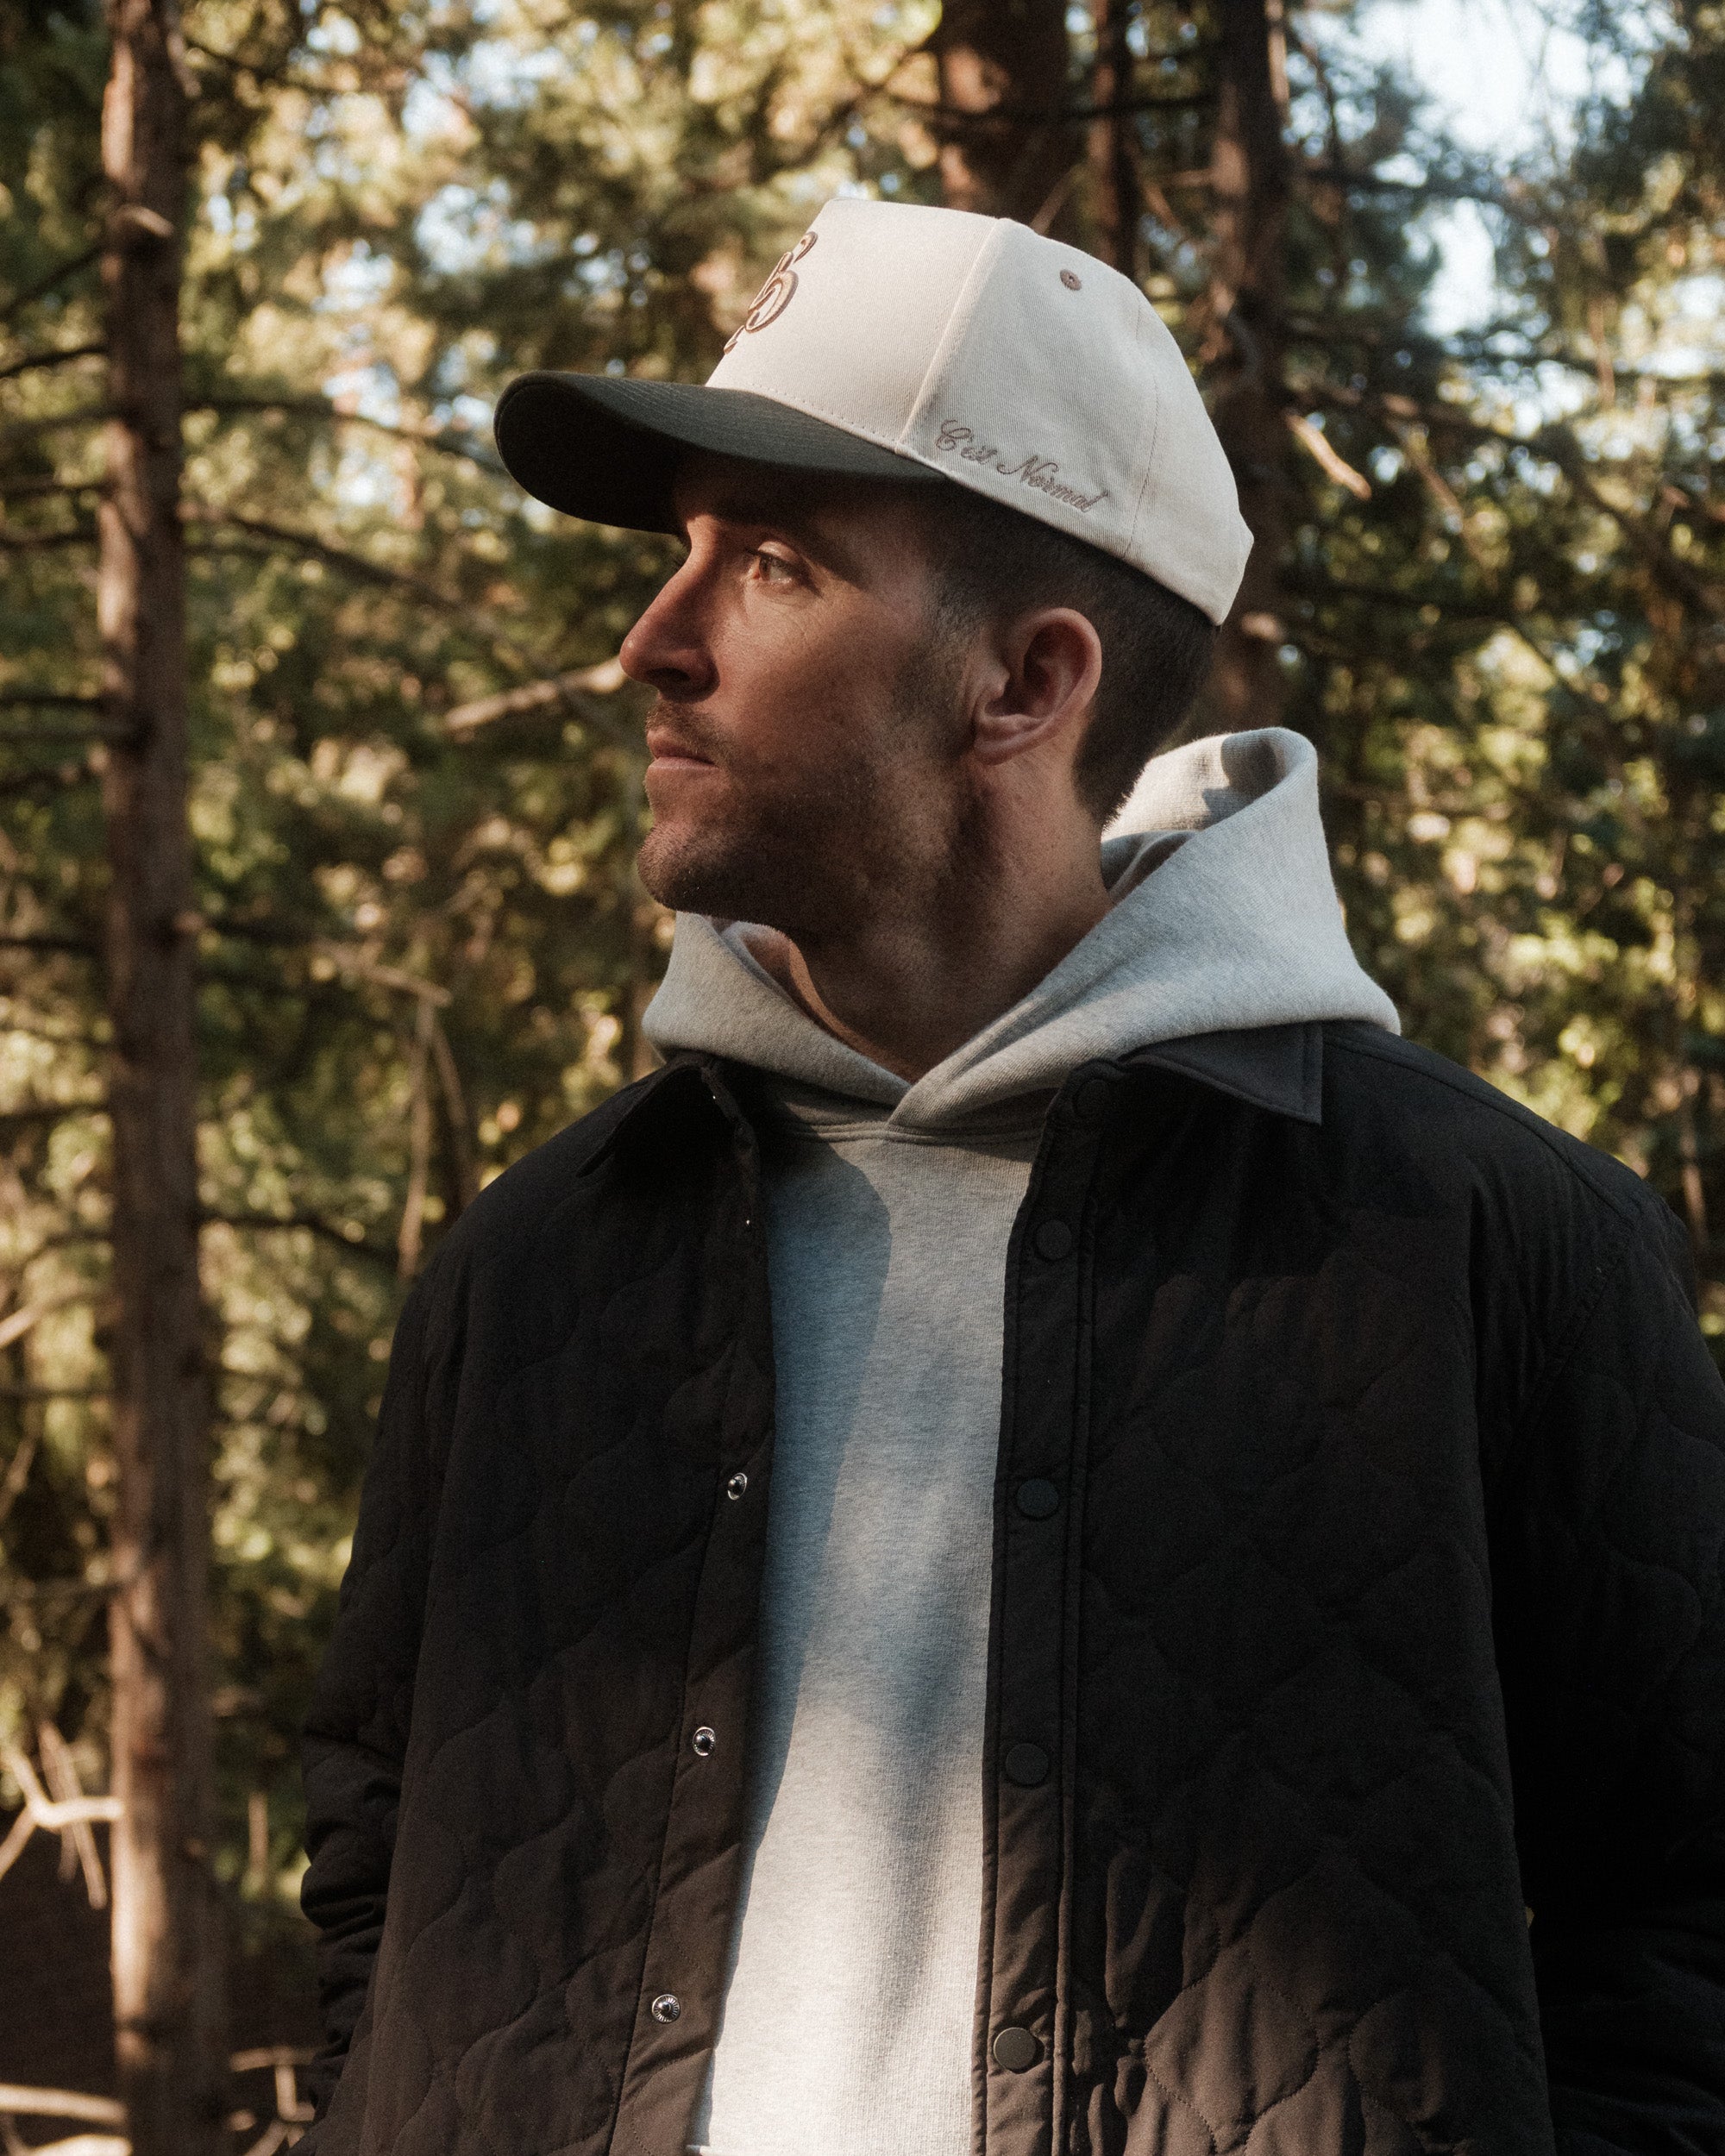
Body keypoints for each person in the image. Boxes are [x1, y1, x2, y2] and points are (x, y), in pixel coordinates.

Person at [297, 199, 1725, 2156]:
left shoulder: (1489, 1246)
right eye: (678, 553)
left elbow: (1685, 1946)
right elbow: (376, 1889)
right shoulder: (534, 1266)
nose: (652, 640)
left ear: (1026, 684)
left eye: (774, 564)